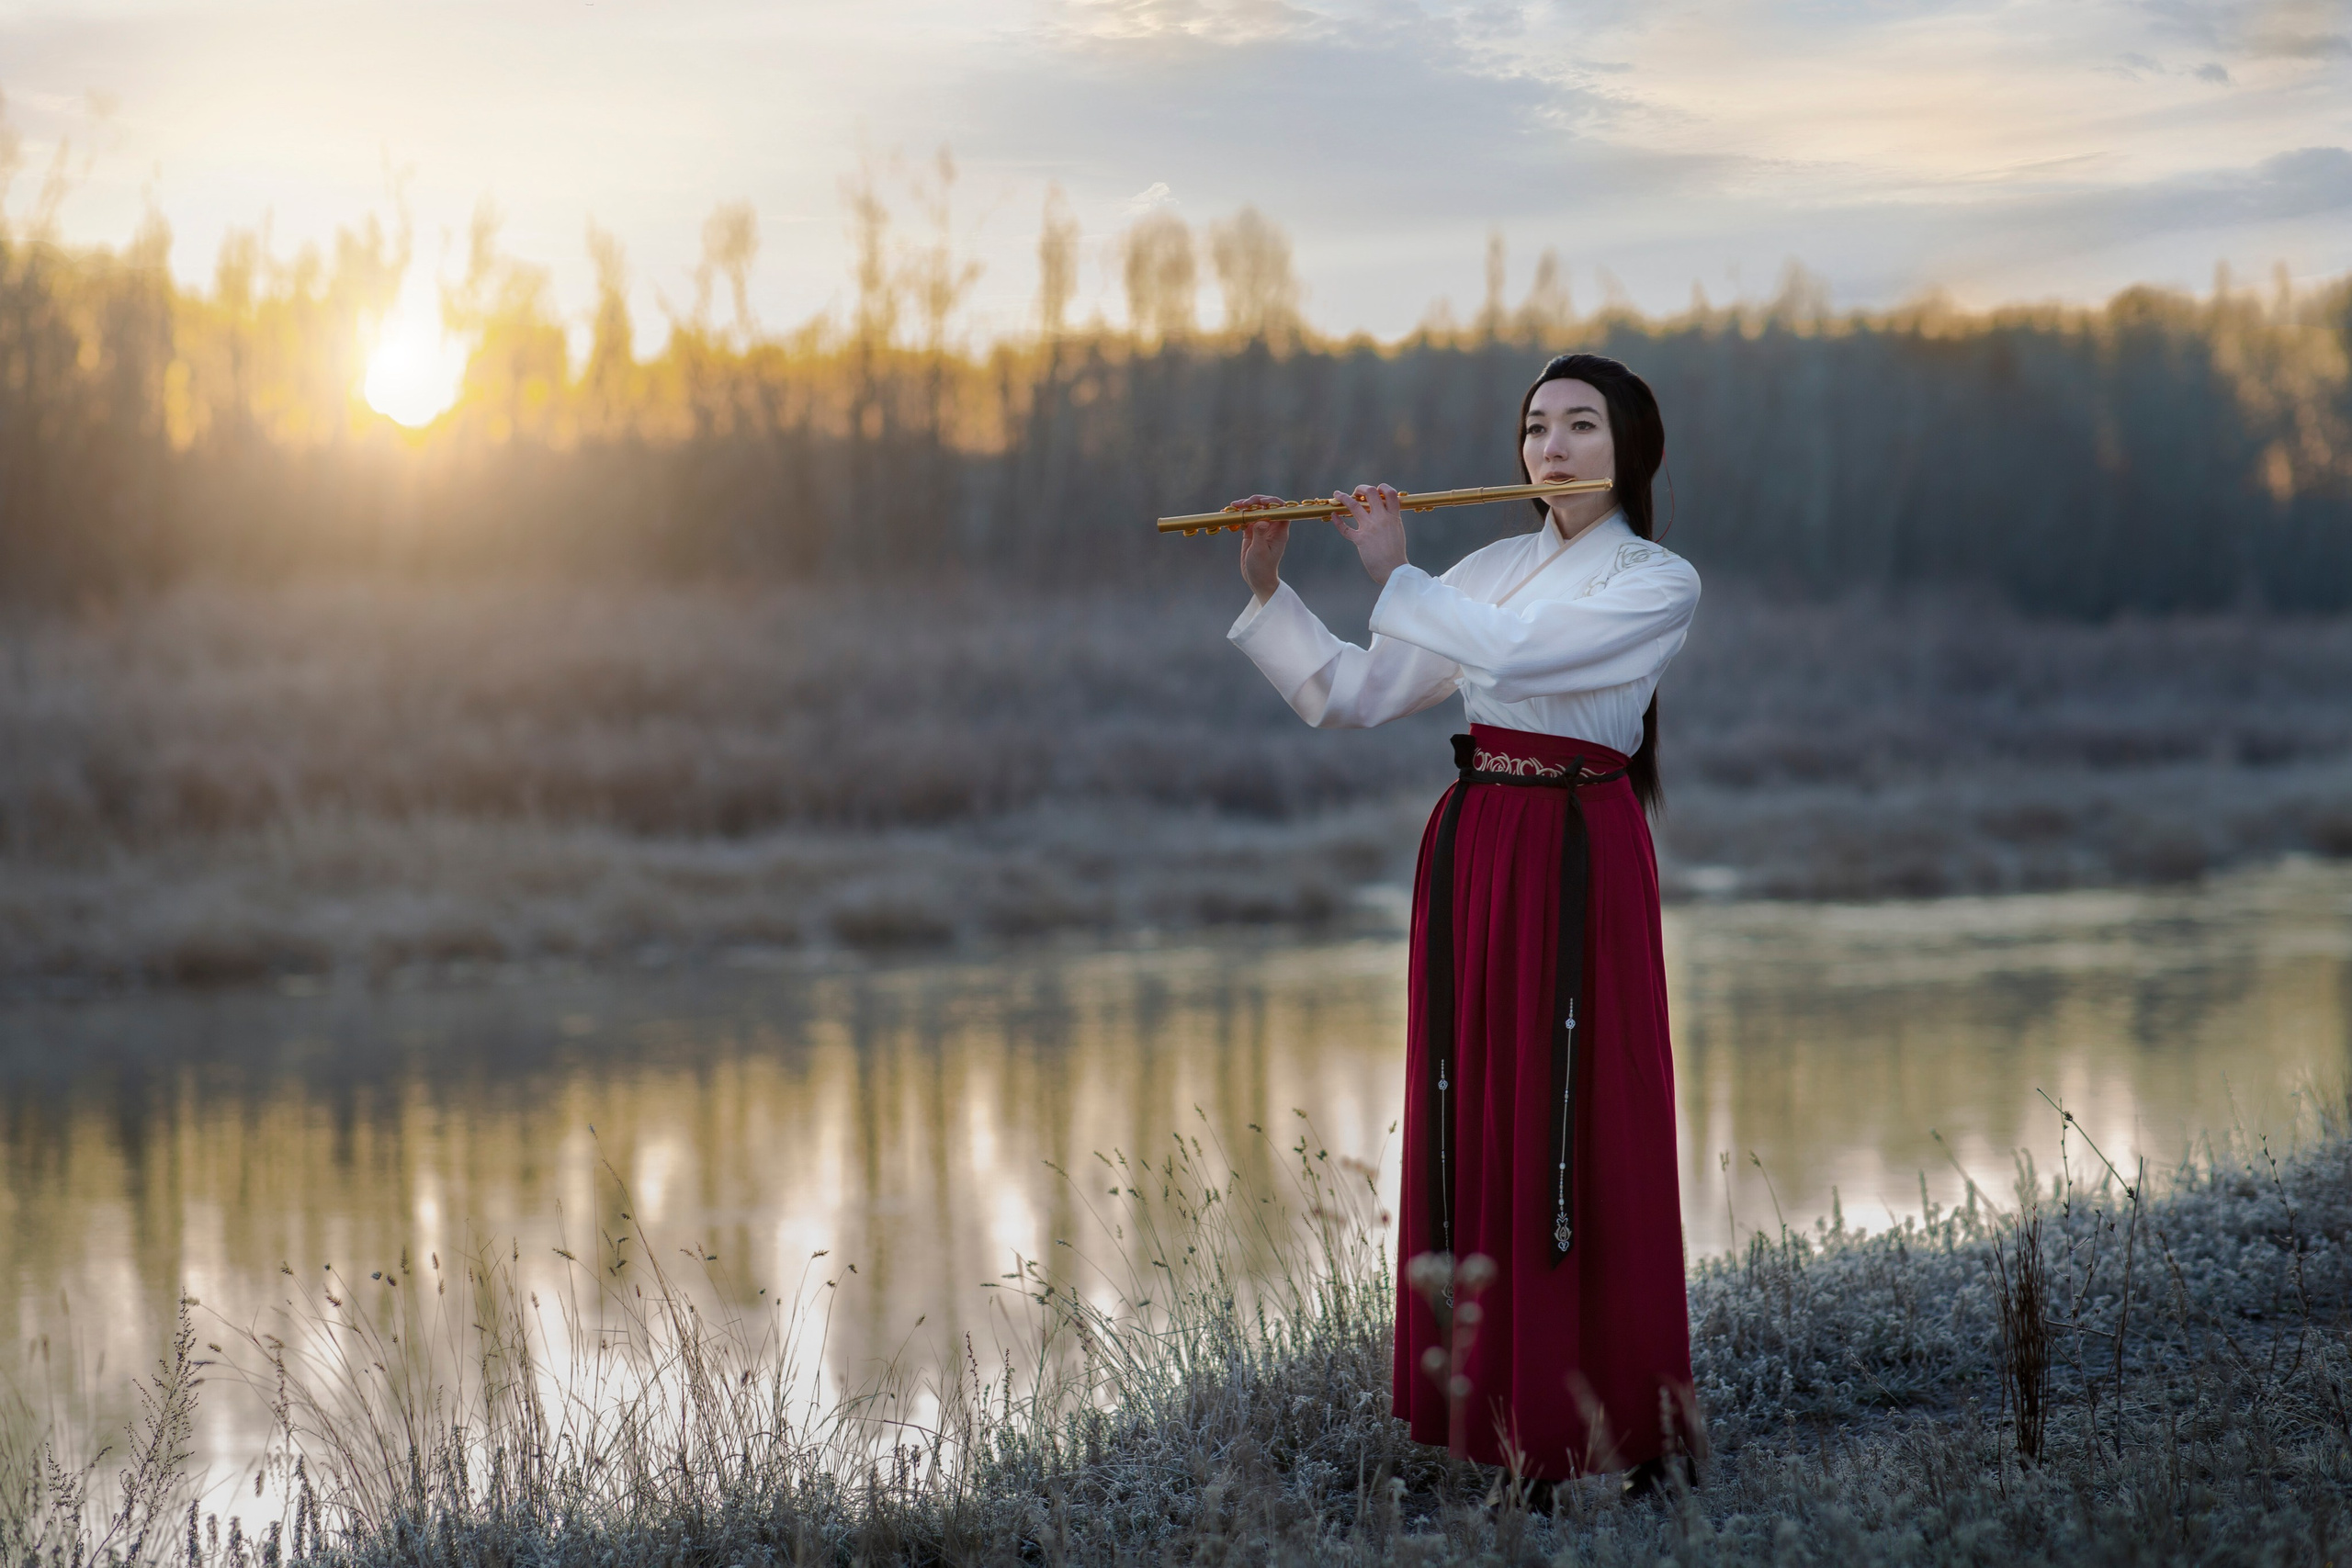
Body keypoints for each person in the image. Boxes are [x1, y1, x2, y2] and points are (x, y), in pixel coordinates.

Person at [1223, 353, 1701, 1499]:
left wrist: (1395, 570)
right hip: (1480, 846)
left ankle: (1632, 1430)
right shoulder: (1487, 566)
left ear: (1629, 448)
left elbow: (1527, 656)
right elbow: (1353, 695)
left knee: (1585, 1111)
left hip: (1578, 852)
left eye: (1580, 426)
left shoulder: (1657, 579)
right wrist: (1269, 587)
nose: (1552, 449)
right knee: (1484, 1112)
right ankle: (1508, 1431)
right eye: (1536, 427)